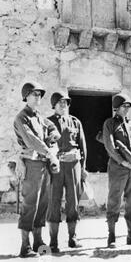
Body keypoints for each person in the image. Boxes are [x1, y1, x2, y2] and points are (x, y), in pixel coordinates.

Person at [14, 81, 60, 258]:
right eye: (34, 94)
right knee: (30, 203)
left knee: (43, 203)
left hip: (43, 163)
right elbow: (31, 140)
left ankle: (38, 241)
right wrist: (50, 153)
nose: (38, 97)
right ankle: (25, 246)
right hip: (32, 164)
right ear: (26, 96)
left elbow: (51, 127)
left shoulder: (39, 116)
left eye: (40, 94)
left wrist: (53, 135)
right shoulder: (22, 117)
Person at [46, 91, 87, 253]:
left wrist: (83, 168)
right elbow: (45, 145)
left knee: (73, 201)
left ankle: (73, 238)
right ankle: (53, 242)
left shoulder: (75, 122)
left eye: (66, 102)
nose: (64, 105)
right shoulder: (47, 122)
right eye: (60, 102)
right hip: (55, 167)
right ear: (54, 105)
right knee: (53, 201)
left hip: (73, 166)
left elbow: (83, 147)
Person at [102, 93, 131, 248]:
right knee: (114, 200)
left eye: (128, 106)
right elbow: (110, 146)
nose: (126, 109)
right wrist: (124, 162)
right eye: (124, 106)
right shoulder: (110, 124)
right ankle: (111, 236)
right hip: (117, 168)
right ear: (116, 108)